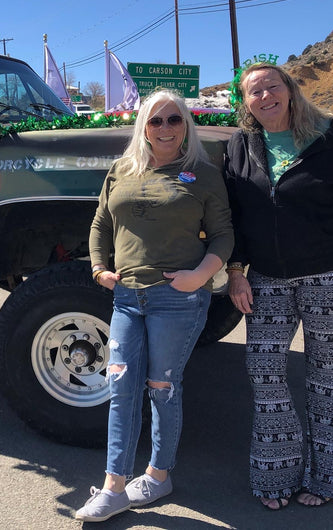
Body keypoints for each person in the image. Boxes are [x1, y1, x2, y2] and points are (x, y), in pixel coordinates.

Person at [75, 89, 234, 522]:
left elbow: (222, 234)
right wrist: (97, 268)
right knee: (121, 385)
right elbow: (100, 222)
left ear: (186, 126)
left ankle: (159, 475)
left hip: (177, 299)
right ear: (143, 126)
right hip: (127, 298)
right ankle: (113, 486)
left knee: (162, 388)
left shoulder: (201, 173)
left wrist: (201, 276)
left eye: (174, 120)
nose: (165, 128)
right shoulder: (121, 170)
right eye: (156, 120)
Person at [225, 62, 333, 511]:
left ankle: (325, 477)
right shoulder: (240, 145)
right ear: (245, 103)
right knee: (265, 372)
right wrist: (234, 270)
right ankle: (276, 473)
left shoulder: (326, 137)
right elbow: (231, 212)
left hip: (325, 275)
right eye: (254, 92)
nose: (265, 95)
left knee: (327, 379)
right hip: (265, 278)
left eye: (272, 86)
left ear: (289, 90)